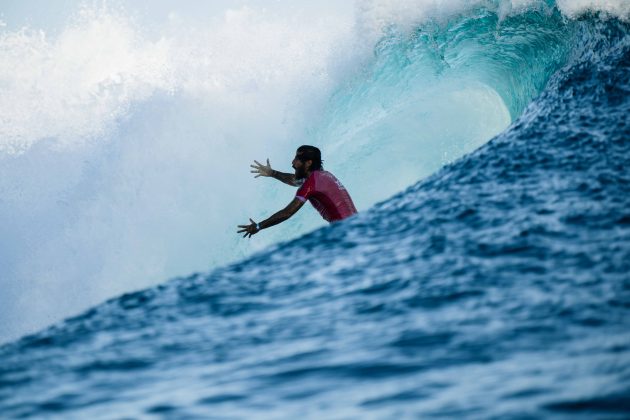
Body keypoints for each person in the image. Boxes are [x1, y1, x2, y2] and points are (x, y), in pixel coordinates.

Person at [237, 145, 357, 238]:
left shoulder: (312, 184)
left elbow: (287, 213)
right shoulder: (321, 175)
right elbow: (295, 180)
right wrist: (272, 173)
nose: (293, 163)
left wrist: (259, 226)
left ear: (309, 163)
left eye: (297, 159)